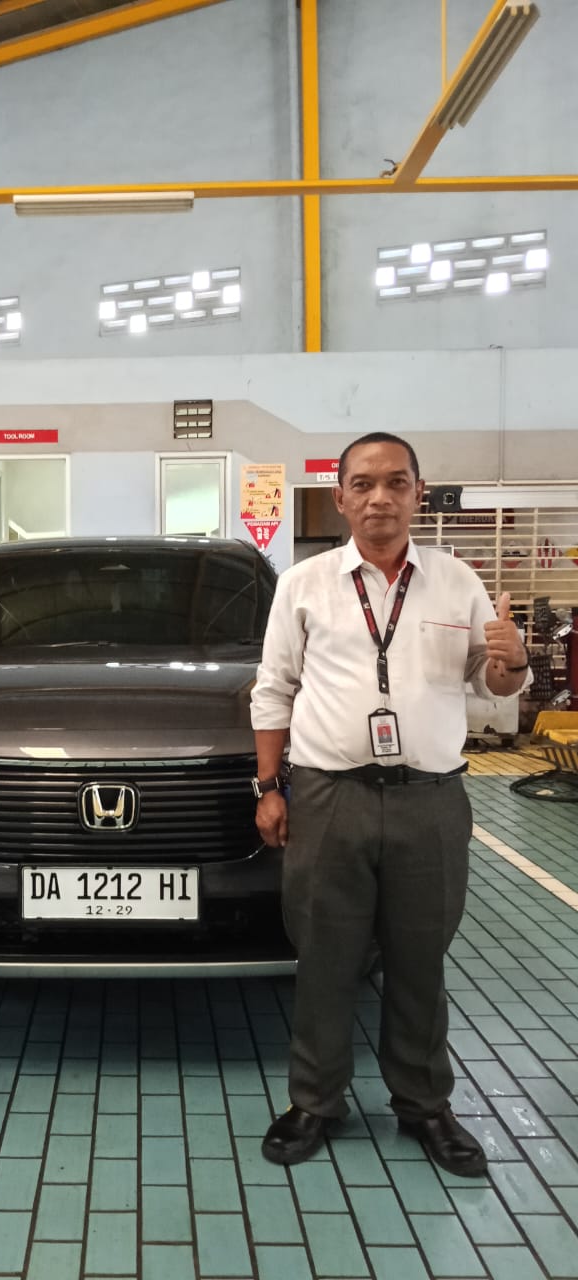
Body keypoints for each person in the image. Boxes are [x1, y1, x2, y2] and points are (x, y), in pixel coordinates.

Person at [251, 432, 531, 1176]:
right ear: (341, 497)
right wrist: (269, 788)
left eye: (397, 483)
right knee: (324, 958)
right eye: (364, 484)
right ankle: (315, 1102)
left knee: (419, 961)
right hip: (327, 798)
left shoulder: (457, 581)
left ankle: (424, 1105)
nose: (380, 497)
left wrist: (513, 661)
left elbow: (492, 682)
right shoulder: (303, 585)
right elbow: (274, 690)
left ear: (419, 494)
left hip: (429, 801)